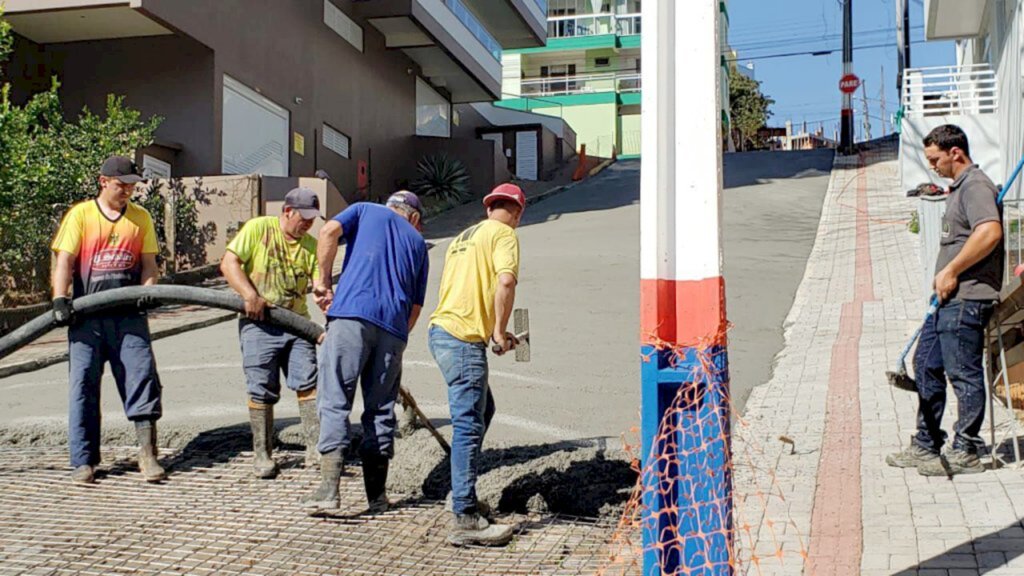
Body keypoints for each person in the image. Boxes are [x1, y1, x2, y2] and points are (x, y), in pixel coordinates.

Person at [887, 124, 1004, 476]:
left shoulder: (976, 186)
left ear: (956, 153)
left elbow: (990, 231)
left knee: (962, 374)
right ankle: (926, 443)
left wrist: (952, 270)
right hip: (947, 299)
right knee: (926, 366)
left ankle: (966, 448)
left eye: (935, 159)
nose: (932, 166)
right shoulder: (959, 189)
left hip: (968, 297)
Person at [303, 191, 429, 514]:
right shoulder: (418, 245)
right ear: (414, 217)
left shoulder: (364, 210)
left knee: (334, 399)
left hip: (351, 317)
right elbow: (415, 308)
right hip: (393, 330)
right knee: (380, 409)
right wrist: (396, 341)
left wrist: (323, 283)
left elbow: (328, 231)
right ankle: (377, 497)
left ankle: (329, 491)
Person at [50, 155, 165, 484]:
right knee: (83, 386)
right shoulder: (82, 216)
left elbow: (149, 265)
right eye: (121, 184)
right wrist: (61, 298)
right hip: (87, 319)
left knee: (141, 377)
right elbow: (65, 261)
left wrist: (148, 289)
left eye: (132, 185)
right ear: (103, 182)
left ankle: (148, 455)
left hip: (128, 317)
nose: (127, 190)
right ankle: (83, 461)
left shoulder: (140, 218)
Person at [428, 183, 525, 547]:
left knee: (485, 409)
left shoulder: (462, 237)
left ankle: (460, 492)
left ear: (488, 208)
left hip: (442, 332)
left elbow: (470, 291)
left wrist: (493, 334)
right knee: (469, 425)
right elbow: (504, 282)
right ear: (519, 212)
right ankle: (465, 515)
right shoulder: (505, 234)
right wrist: (499, 331)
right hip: (462, 340)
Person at [221, 187, 322, 478]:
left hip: (297, 324)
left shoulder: (312, 246)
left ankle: (314, 449)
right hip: (259, 324)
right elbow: (229, 263)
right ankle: (262, 453)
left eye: (312, 219)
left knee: (308, 382)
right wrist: (249, 295)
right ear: (287, 211)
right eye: (303, 217)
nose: (307, 224)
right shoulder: (259, 228)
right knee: (261, 387)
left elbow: (319, 285)